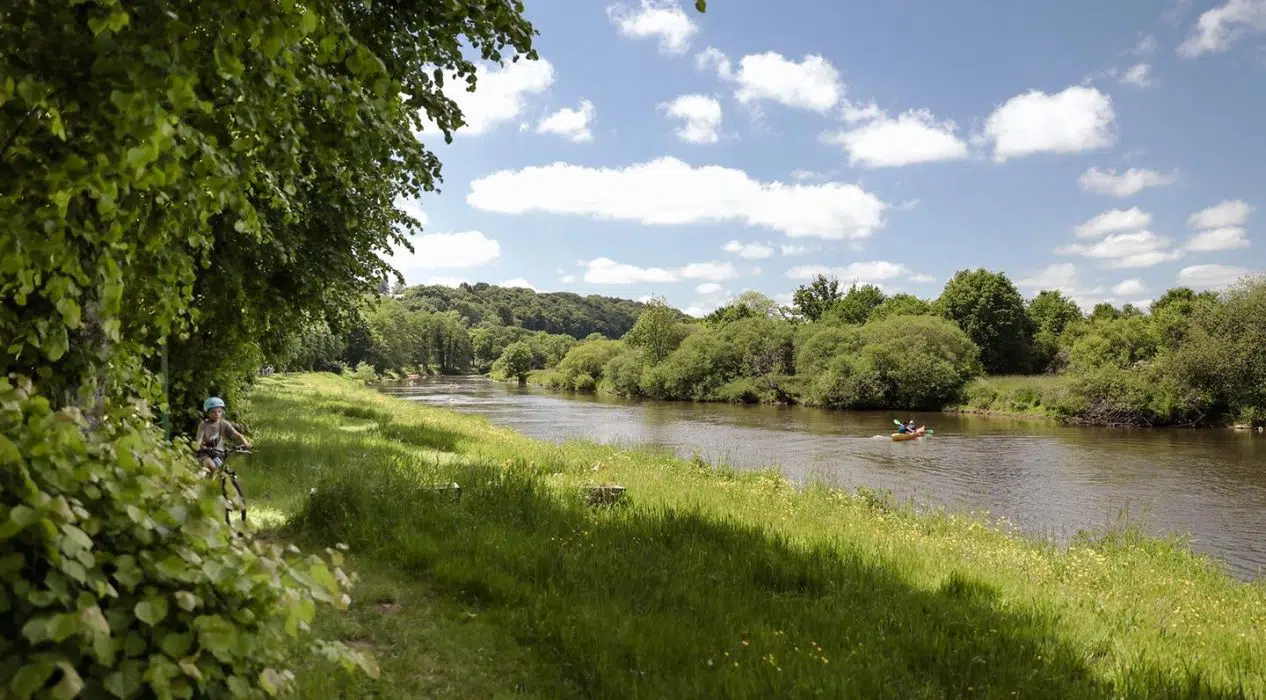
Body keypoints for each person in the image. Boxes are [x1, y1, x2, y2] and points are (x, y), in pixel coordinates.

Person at [196, 397, 251, 473]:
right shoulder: (204, 425)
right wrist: (199, 445)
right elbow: (199, 439)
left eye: (219, 411)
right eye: (213, 412)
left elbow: (238, 435)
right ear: (207, 413)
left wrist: (245, 443)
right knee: (211, 466)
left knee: (221, 470)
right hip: (205, 453)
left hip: (218, 453)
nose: (217, 414)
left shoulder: (224, 423)